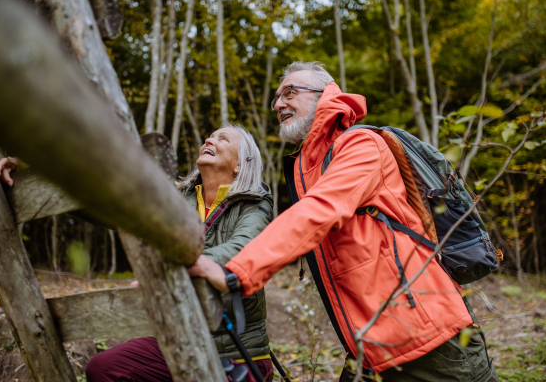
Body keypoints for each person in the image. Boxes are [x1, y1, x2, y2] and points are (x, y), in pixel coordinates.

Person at [189, 62, 499, 382]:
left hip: (432, 339)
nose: (280, 103)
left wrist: (235, 269)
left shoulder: (360, 144)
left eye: (291, 92)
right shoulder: (308, 166)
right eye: (277, 98)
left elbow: (320, 210)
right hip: (372, 347)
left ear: (325, 95)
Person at [83, 125, 274, 381]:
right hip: (177, 336)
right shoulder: (176, 198)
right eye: (210, 136)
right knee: (103, 368)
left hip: (234, 349)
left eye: (223, 138)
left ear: (239, 164)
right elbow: (112, 204)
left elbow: (241, 248)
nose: (209, 139)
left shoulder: (255, 204)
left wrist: (176, 267)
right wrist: (35, 170)